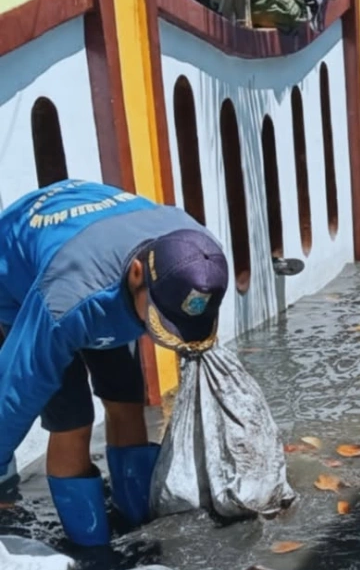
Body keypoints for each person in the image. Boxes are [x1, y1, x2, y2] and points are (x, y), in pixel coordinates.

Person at [0, 179, 230, 546]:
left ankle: (137, 518)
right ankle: (91, 546)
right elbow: (13, 393)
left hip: (104, 253)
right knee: (72, 422)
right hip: (18, 272)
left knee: (126, 402)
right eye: (157, 322)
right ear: (138, 273)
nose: (158, 335)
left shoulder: (199, 256)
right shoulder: (65, 303)